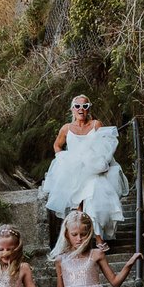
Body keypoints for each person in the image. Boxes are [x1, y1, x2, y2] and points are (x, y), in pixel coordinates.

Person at [39, 95, 128, 251]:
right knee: (78, 209)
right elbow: (57, 146)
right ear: (72, 108)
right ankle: (80, 243)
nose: (81, 109)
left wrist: (102, 161)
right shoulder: (66, 128)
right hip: (75, 173)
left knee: (93, 203)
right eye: (78, 106)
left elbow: (106, 145)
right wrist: (63, 160)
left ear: (89, 109)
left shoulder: (96, 125)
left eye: (85, 106)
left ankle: (99, 240)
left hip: (94, 172)